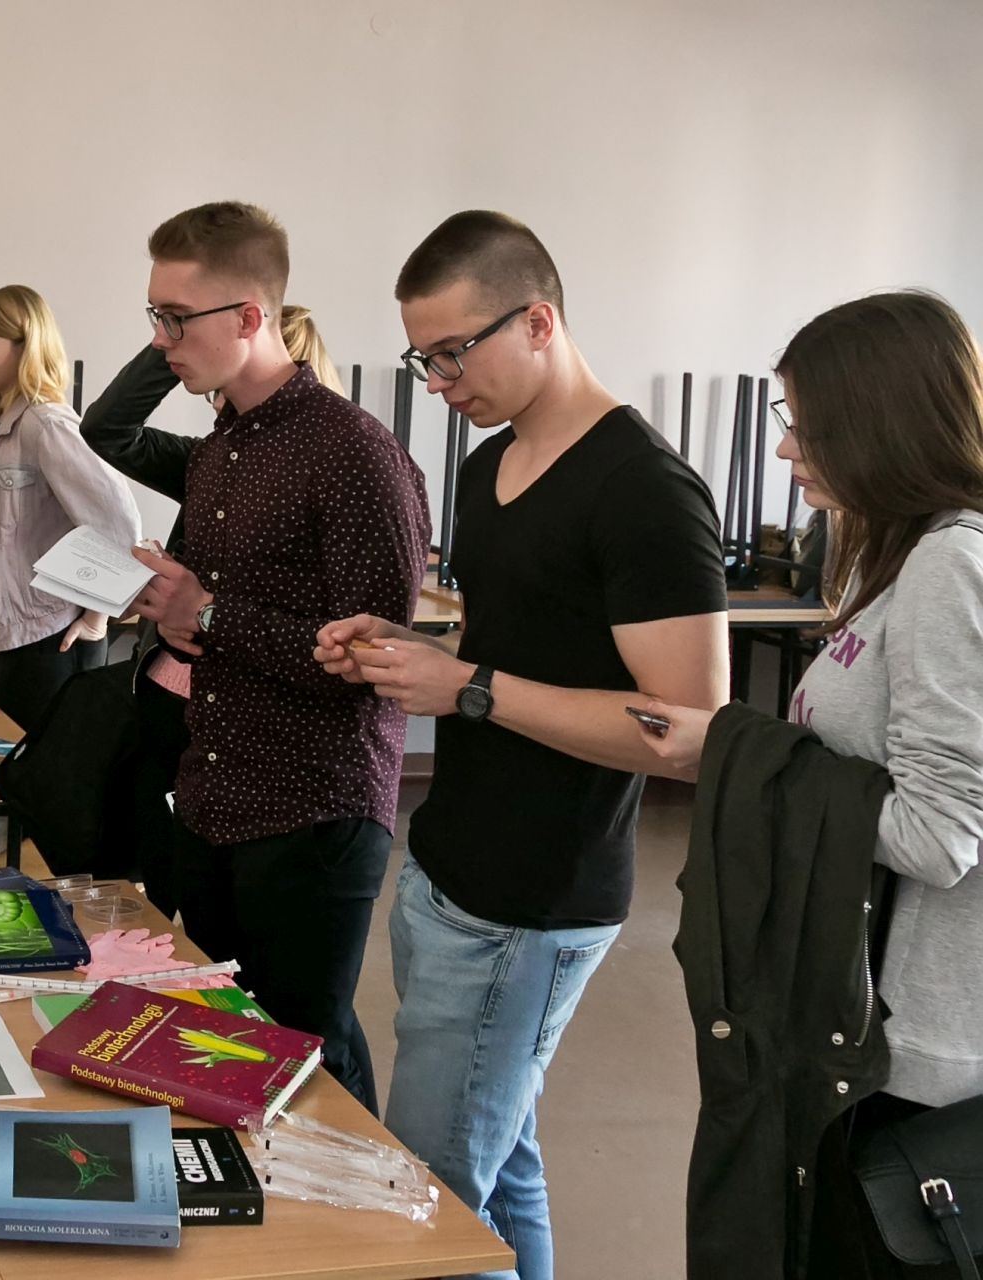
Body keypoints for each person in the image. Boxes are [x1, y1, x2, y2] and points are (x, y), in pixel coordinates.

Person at [314, 210, 728, 1280]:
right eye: (424, 357)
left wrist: (471, 688)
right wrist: (411, 650)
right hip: (450, 864)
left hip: (535, 895)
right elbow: (513, 649)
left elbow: (690, 735)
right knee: (500, 1174)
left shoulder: (643, 490)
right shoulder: (491, 464)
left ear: (539, 321)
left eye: (455, 352)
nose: (438, 382)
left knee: (432, 1200)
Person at [641, 291, 983, 1280]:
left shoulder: (949, 566)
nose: (787, 447)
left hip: (916, 1040)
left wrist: (736, 751)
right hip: (871, 1016)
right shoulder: (906, 557)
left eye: (805, 420)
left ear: (879, 419)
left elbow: (942, 833)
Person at [122, 201, 432, 1111]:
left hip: (312, 808)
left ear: (250, 317)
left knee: (309, 1054)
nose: (161, 341)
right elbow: (217, 617)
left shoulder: (354, 453)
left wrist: (211, 614)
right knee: (237, 1040)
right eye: (155, 315)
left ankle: (361, 1197)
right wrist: (178, 618)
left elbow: (375, 655)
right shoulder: (220, 447)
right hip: (214, 794)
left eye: (177, 319)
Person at [80, 302, 350, 916]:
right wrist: (177, 339)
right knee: (168, 901)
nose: (221, 409)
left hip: (248, 724)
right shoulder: (211, 460)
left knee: (227, 922)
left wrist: (204, 609)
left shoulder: (329, 465)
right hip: (166, 702)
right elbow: (107, 429)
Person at [0, 284, 140, 733]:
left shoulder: (48, 425)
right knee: (5, 767)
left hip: (51, 638)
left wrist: (97, 618)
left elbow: (118, 522)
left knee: (40, 772)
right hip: (4, 635)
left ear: (25, 349)